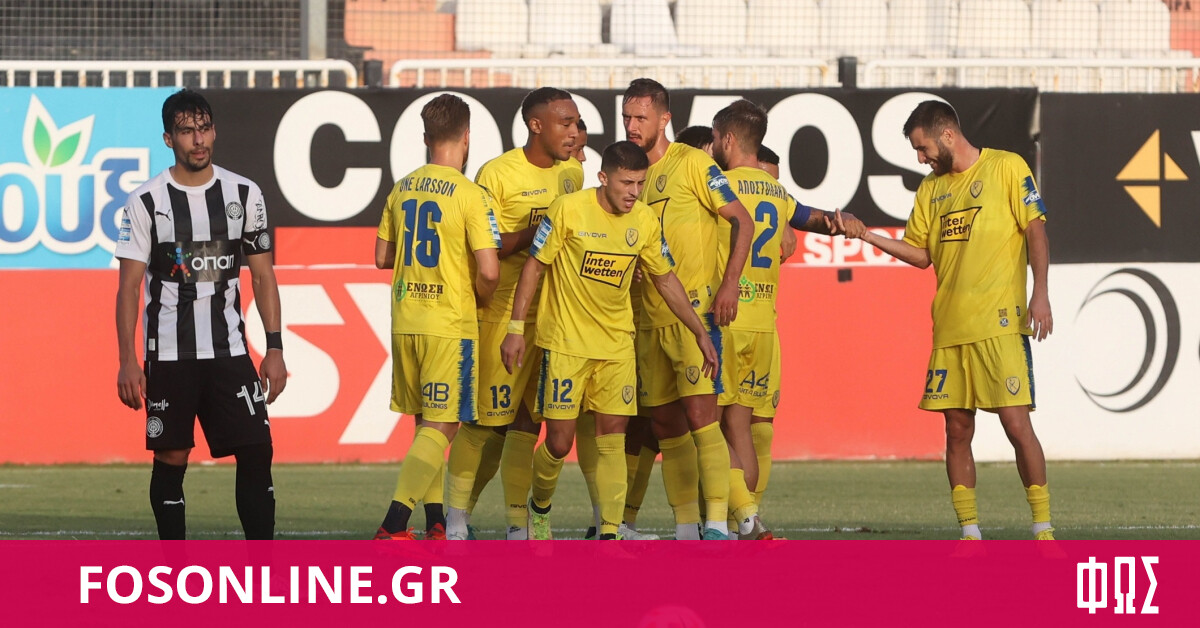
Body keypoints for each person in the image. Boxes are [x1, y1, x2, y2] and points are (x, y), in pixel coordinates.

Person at [855, 100, 1054, 540]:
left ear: (947, 135)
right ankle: (970, 534)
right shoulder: (931, 189)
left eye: (922, 148)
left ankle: (1043, 529)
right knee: (957, 430)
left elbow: (1036, 230)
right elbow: (921, 255)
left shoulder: (1007, 167)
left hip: (1000, 326)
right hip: (950, 330)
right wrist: (867, 235)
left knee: (1016, 425)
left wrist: (1039, 292)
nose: (920, 158)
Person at [500, 141, 719, 540]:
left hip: (617, 345)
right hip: (566, 344)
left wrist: (699, 331)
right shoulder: (568, 210)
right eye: (626, 183)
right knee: (559, 444)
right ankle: (540, 506)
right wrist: (516, 329)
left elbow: (666, 280)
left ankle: (610, 535)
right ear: (603, 178)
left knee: (613, 439)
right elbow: (533, 267)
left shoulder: (645, 221)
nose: (634, 192)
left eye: (640, 183)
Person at [115, 88, 287, 540]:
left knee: (257, 449)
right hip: (170, 356)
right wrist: (128, 360)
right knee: (172, 458)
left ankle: (262, 566)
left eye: (204, 128)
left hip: (229, 351)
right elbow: (129, 286)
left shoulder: (244, 193)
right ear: (168, 139)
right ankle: (175, 567)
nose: (198, 139)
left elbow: (263, 276)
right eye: (187, 131)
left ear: (214, 131)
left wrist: (273, 348)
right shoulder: (146, 201)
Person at [710, 99, 863, 539]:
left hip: (725, 320)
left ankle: (739, 518)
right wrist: (845, 220)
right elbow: (817, 219)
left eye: (716, 139)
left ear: (728, 140)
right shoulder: (777, 193)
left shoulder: (716, 184)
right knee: (741, 428)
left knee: (707, 428)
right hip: (762, 324)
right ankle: (743, 521)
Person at [444, 87, 583, 541]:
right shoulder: (497, 173)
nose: (574, 132)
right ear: (536, 125)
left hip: (553, 319)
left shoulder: (572, 174)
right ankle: (454, 520)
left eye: (576, 123)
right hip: (503, 315)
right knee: (483, 423)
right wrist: (539, 231)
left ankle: (517, 526)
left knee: (527, 424)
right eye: (565, 123)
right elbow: (488, 243)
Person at [622, 78, 754, 540]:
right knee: (664, 425)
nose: (632, 125)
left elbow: (742, 220)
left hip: (694, 314)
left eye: (641, 117)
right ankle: (685, 528)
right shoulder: (631, 175)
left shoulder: (692, 162)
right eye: (626, 116)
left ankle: (717, 523)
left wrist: (730, 284)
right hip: (647, 319)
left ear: (664, 119)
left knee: (702, 418)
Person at [372, 94, 501, 540]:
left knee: (425, 424)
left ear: (426, 138)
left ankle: (435, 522)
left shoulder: (402, 187)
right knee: (444, 425)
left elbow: (381, 257)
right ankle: (393, 524)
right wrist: (482, 297)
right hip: (449, 323)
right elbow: (490, 270)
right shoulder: (471, 194)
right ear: (467, 137)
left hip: (406, 319)